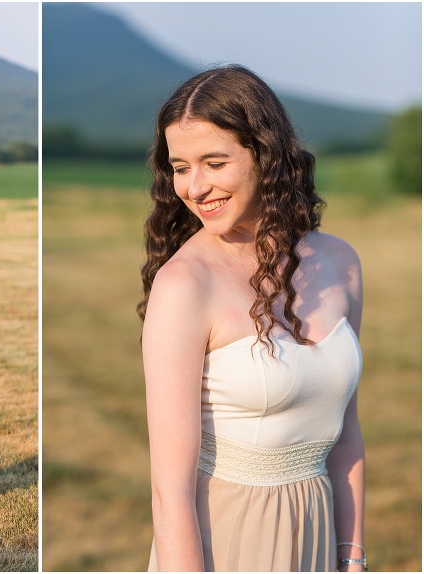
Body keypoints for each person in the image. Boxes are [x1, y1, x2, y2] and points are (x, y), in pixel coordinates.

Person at [138, 66, 365, 571]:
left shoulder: (340, 263)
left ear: (265, 156)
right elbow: (168, 490)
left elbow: (345, 431)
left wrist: (351, 554)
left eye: (214, 163)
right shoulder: (183, 287)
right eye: (179, 167)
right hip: (225, 539)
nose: (194, 188)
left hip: (318, 532)